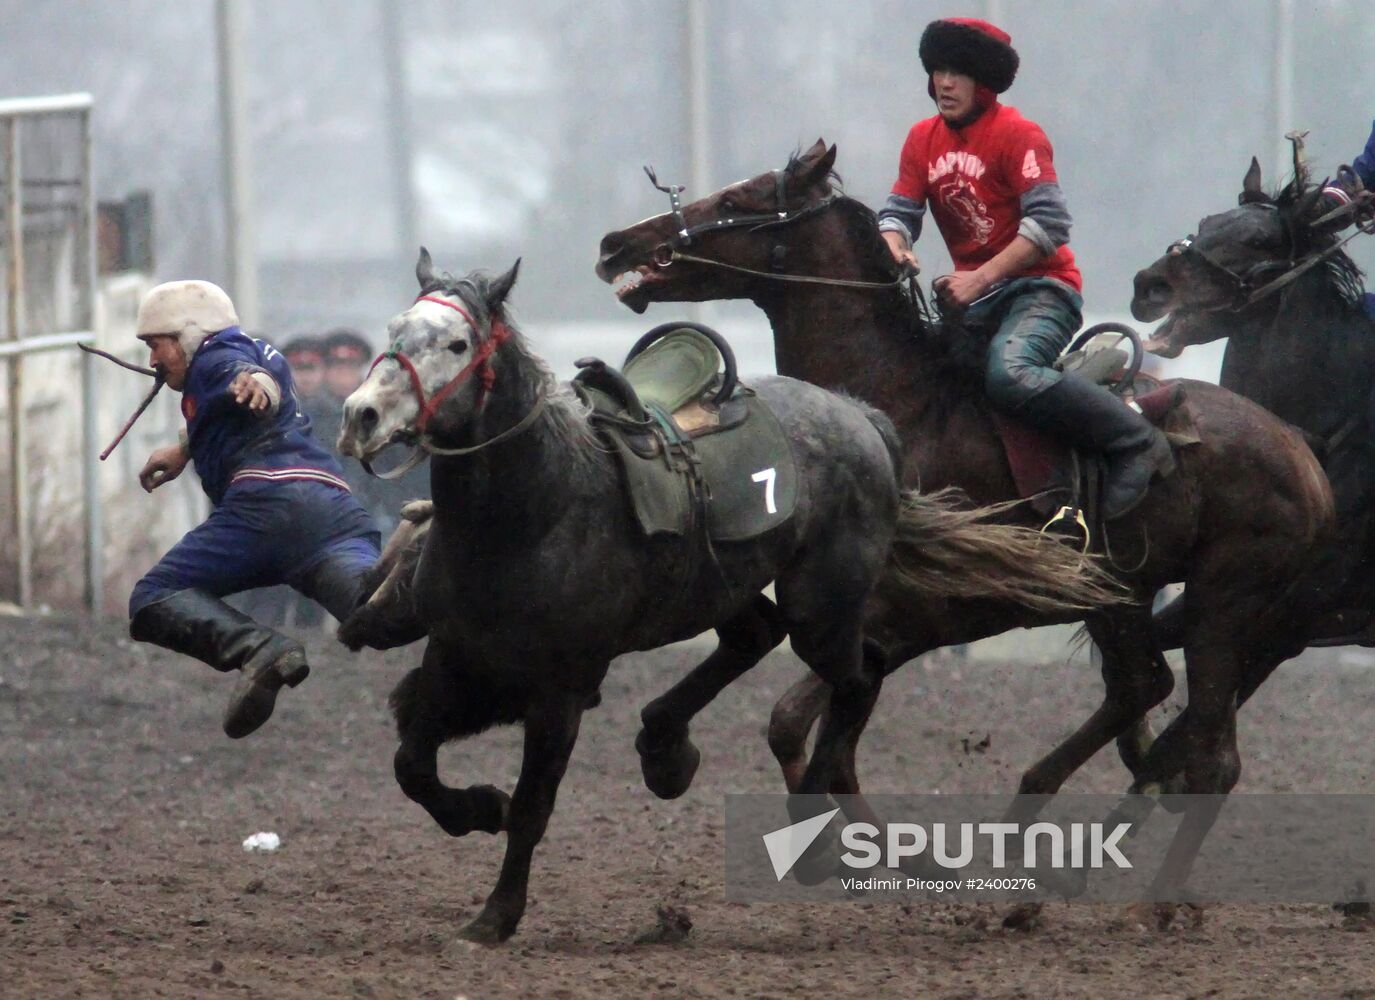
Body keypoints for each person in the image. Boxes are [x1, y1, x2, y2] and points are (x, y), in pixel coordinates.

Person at [877, 17, 1172, 519]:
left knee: (1010, 376)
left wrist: (979, 278)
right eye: (939, 71)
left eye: (959, 73)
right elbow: (899, 214)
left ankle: (1134, 441)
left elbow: (1050, 225)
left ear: (985, 82)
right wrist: (894, 245)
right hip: (975, 299)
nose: (944, 83)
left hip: (1044, 291)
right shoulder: (920, 139)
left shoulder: (1019, 135)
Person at [127, 280, 382, 739]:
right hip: (332, 512)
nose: (151, 360)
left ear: (188, 333)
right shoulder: (253, 349)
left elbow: (243, 377)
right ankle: (447, 577)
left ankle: (259, 648)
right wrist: (185, 448)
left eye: (155, 344)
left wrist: (256, 385)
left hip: (265, 509)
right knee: (378, 614)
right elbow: (248, 384)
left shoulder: (216, 359)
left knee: (154, 596)